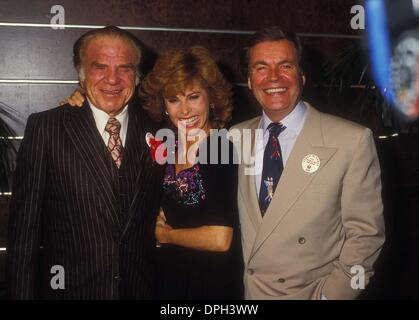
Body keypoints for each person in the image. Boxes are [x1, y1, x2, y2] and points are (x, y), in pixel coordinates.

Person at [6, 26, 163, 299]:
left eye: (124, 68)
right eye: (100, 67)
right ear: (81, 72)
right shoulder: (47, 128)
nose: (112, 79)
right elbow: (23, 239)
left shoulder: (161, 132)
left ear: (137, 75)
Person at [231, 27, 385, 299]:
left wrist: (333, 296)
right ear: (250, 80)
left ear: (302, 75)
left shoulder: (351, 140)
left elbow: (367, 237)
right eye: (261, 68)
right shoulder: (233, 139)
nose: (274, 77)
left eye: (285, 65)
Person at [140, 46, 243, 299]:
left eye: (193, 96)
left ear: (211, 97)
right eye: (174, 99)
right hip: (167, 279)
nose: (184, 110)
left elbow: (221, 238)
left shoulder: (219, 148)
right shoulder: (169, 146)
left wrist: (166, 235)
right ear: (163, 105)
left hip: (210, 285)